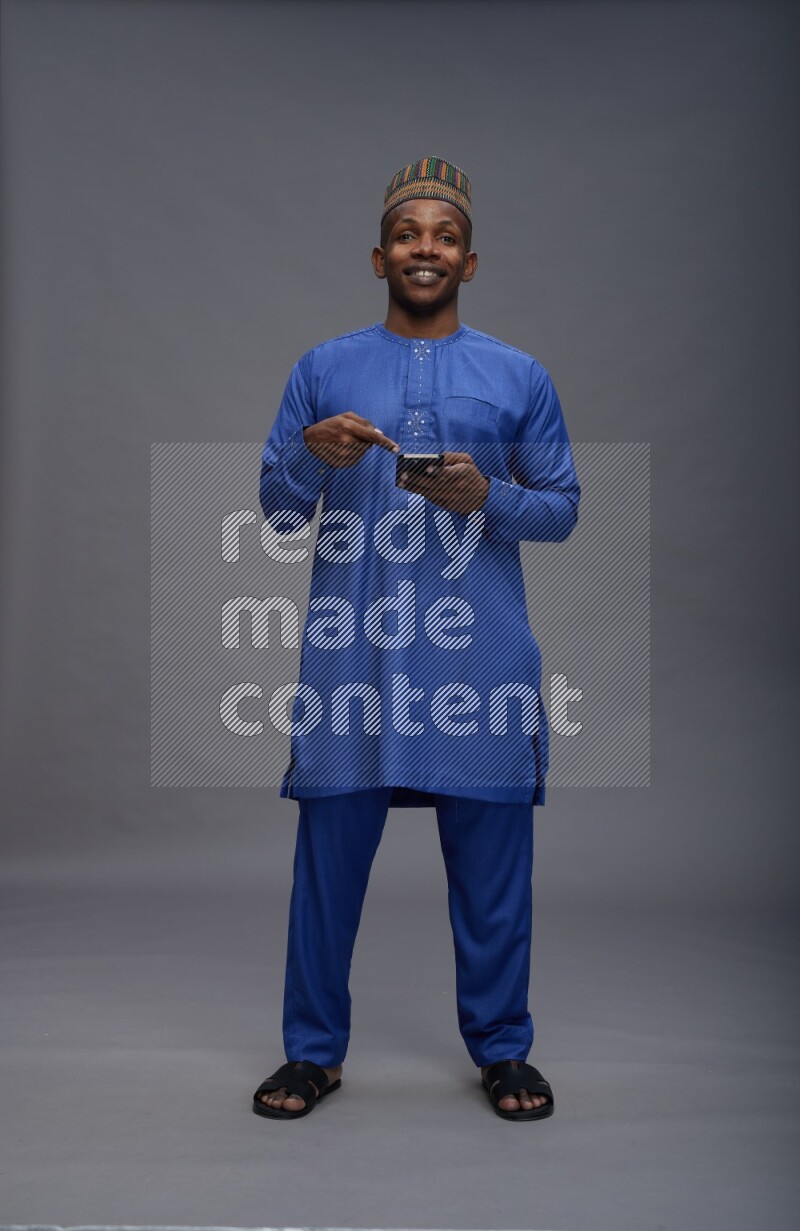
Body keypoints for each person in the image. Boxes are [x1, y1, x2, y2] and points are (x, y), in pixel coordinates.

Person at [252, 157, 580, 1121]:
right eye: (407, 234)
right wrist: (312, 459)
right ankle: (312, 1052)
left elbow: (561, 512)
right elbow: (275, 511)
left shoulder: (520, 374)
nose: (423, 248)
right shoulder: (323, 367)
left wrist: (492, 495)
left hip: (478, 655)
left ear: (469, 261)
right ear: (378, 255)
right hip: (353, 653)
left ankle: (504, 1049)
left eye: (442, 235)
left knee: (493, 869)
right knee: (327, 864)